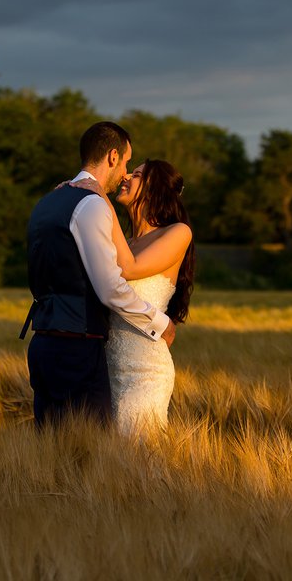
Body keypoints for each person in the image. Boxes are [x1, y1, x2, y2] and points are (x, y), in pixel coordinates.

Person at [19, 122, 176, 427]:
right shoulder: (90, 204)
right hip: (77, 347)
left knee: (52, 454)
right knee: (87, 456)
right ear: (113, 156)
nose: (126, 172)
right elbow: (110, 288)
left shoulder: (47, 202)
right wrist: (160, 323)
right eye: (127, 162)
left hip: (42, 344)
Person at [71, 159, 194, 435]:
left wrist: (101, 197)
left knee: (140, 461)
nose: (125, 176)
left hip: (145, 373)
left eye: (136, 175)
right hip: (108, 371)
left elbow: (130, 267)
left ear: (154, 189)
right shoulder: (124, 243)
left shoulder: (177, 233)